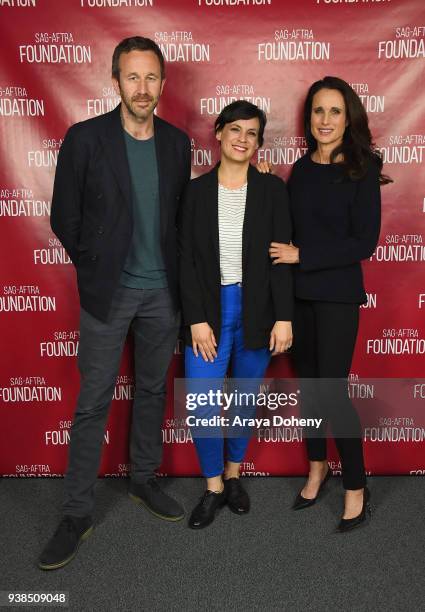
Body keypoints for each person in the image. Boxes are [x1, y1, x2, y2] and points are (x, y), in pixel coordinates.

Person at [38, 36, 191, 570]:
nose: (142, 88)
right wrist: (98, 266)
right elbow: (65, 216)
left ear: (163, 83)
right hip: (109, 292)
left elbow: (180, 219)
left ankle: (142, 479)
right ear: (116, 80)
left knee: (152, 390)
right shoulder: (85, 139)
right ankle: (76, 512)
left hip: (162, 294)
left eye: (152, 78)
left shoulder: (177, 143)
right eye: (133, 77)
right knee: (93, 401)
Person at [268, 76, 391, 532]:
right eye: (318, 111)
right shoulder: (299, 170)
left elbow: (365, 242)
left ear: (348, 117)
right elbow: (284, 218)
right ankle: (318, 465)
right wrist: (265, 182)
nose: (325, 120)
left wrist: (305, 255)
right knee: (311, 389)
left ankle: (356, 484)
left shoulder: (363, 167)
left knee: (332, 391)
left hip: (338, 295)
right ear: (309, 118)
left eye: (335, 111)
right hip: (299, 297)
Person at [179, 101, 293, 529]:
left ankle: (233, 478)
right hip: (208, 311)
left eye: (252, 133)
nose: (243, 139)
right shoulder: (194, 193)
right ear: (219, 133)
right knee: (204, 406)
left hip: (257, 310)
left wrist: (283, 317)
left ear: (259, 142)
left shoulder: (272, 190)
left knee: (244, 402)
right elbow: (185, 259)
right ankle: (211, 488)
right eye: (235, 130)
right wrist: (195, 318)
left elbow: (280, 257)